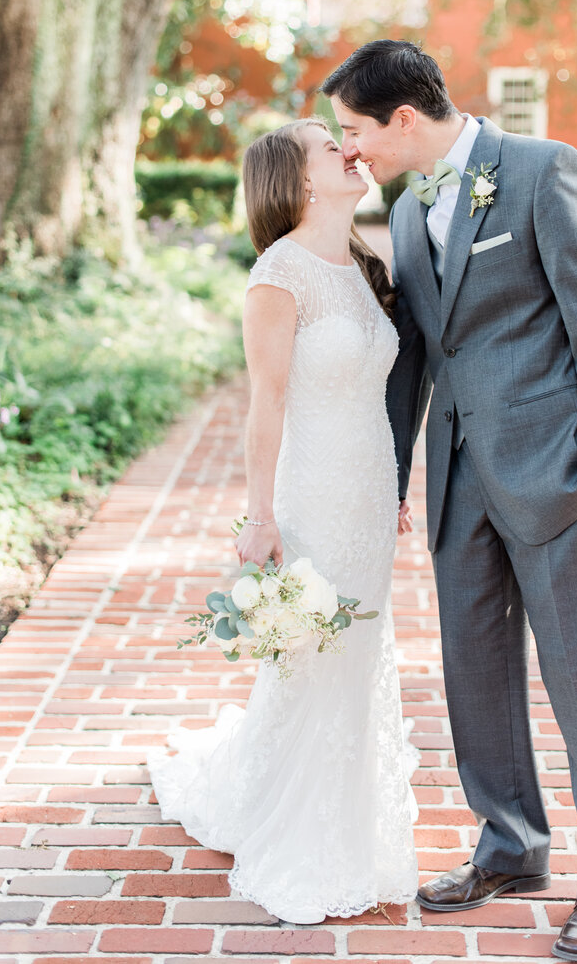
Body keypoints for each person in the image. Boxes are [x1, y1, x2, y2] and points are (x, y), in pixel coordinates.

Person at [323, 41, 577, 964]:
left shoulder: (544, 171)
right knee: (474, 666)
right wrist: (388, 473)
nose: (350, 151)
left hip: (555, 465)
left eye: (355, 132)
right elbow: (420, 351)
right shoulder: (406, 199)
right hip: (456, 471)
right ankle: (510, 847)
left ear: (403, 120)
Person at [147, 118, 419, 925]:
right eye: (328, 145)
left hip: (370, 494)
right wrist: (258, 518)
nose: (349, 149)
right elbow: (265, 405)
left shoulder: (365, 264)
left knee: (359, 646)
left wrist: (397, 481)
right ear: (298, 179)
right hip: (312, 496)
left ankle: (353, 816)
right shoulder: (278, 274)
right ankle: (303, 829)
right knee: (314, 655)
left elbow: (378, 394)